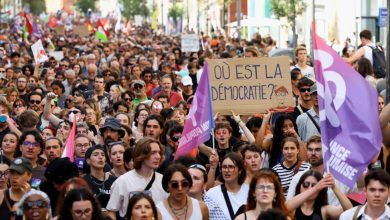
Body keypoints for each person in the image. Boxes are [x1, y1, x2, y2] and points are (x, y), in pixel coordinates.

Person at [106, 137, 167, 219]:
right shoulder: (122, 181)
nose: (158, 156)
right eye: (153, 153)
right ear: (142, 154)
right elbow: (111, 212)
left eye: (159, 153)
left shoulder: (163, 180)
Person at [286, 170, 352, 219]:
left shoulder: (324, 210)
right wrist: (315, 188)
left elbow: (350, 211)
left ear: (320, 190)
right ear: (299, 186)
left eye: (314, 185)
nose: (309, 188)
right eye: (306, 184)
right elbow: (285, 207)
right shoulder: (294, 208)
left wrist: (334, 187)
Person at [205, 153, 248, 219]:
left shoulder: (249, 191)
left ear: (240, 170)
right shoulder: (212, 194)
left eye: (231, 167)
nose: (226, 170)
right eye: (224, 167)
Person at [83, 145, 116, 209]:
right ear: (88, 161)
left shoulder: (115, 181)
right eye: (95, 155)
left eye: (103, 155)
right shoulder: (83, 182)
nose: (100, 157)